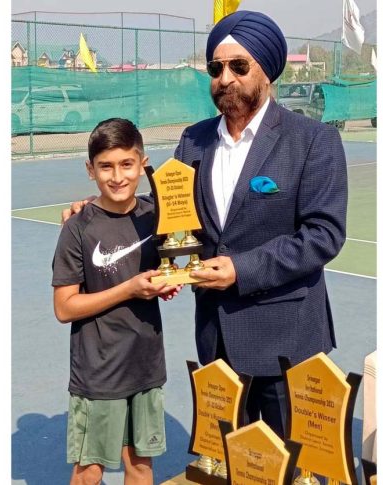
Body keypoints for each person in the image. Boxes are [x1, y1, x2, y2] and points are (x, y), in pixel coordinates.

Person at [63, 11, 347, 440]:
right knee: (231, 461)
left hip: (287, 341)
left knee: (290, 466)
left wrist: (241, 269)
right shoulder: (194, 140)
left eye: (239, 66)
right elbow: (173, 211)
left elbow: (323, 234)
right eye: (215, 68)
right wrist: (101, 206)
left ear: (266, 70)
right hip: (216, 339)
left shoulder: (311, 140)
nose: (225, 78)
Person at [52, 118, 180, 485]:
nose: (117, 176)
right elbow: (64, 307)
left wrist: (165, 284)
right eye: (106, 166)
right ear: (90, 170)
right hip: (99, 371)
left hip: (145, 365)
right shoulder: (78, 227)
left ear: (142, 163)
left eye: (127, 164)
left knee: (140, 466)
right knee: (89, 471)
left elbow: (164, 269)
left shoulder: (158, 216)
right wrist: (130, 289)